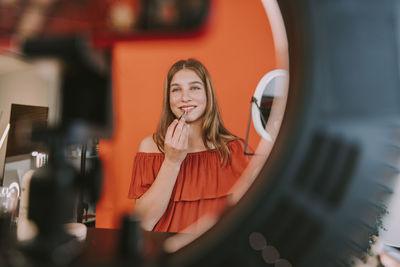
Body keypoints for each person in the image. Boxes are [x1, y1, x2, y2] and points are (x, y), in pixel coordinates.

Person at [128, 58, 252, 233]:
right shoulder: (150, 147)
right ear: (168, 98)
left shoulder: (237, 150)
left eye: (194, 87)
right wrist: (171, 161)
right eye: (176, 89)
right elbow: (143, 223)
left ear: (207, 94)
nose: (185, 97)